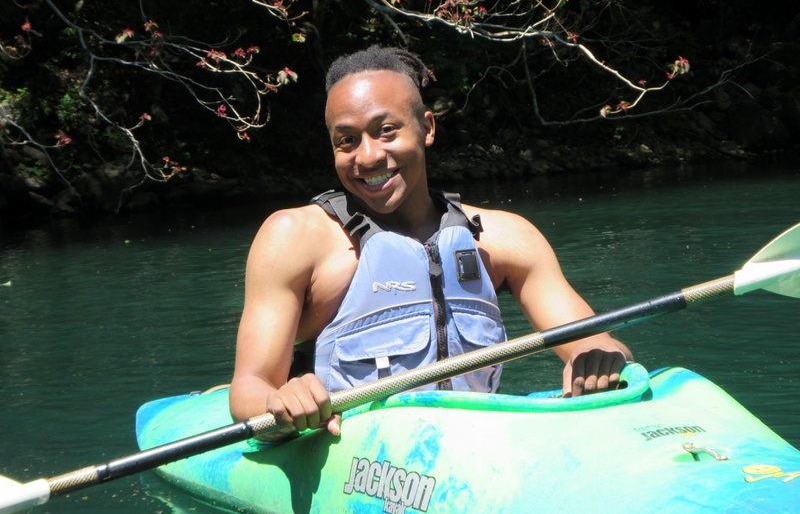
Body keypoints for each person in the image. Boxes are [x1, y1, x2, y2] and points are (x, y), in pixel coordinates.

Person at [230, 46, 631, 436]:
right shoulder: (294, 237)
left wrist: (596, 361)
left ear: (427, 127)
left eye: (386, 131)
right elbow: (249, 388)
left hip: (475, 449)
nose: (367, 156)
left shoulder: (506, 238)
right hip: (354, 458)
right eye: (347, 140)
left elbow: (604, 346)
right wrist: (280, 401)